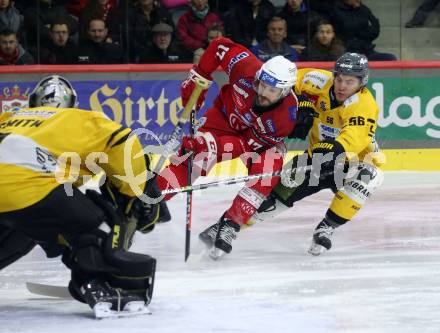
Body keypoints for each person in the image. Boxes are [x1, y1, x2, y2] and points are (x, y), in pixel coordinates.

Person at [0, 75, 162, 317]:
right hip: (26, 188)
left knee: (26, 225)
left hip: (18, 195)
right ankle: (96, 280)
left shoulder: (9, 118)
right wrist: (134, 194)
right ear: (72, 103)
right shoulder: (77, 117)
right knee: (101, 224)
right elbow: (122, 142)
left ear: (33, 103)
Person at [157, 36, 316, 259]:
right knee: (194, 159)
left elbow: (242, 146)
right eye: (261, 84)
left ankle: (231, 224)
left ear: (284, 91)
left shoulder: (284, 118)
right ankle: (150, 198)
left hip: (257, 144)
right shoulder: (247, 67)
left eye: (271, 90)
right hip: (222, 119)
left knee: (268, 170)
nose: (262, 92)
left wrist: (207, 144)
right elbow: (219, 46)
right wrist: (200, 76)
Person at [251, 53, 384, 256]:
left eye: (349, 82)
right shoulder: (318, 80)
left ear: (362, 82)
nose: (341, 86)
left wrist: (336, 150)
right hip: (315, 158)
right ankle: (229, 227)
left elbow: (354, 137)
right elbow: (290, 83)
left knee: (369, 177)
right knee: (272, 200)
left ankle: (327, 227)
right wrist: (302, 102)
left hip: (353, 163)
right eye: (339, 78)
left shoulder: (364, 104)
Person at [331, 0, 397, 61]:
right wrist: (362, 29)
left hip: (367, 51)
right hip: (347, 52)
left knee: (391, 58)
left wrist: (360, 10)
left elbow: (374, 31)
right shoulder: (335, 8)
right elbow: (348, 27)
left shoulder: (363, 8)